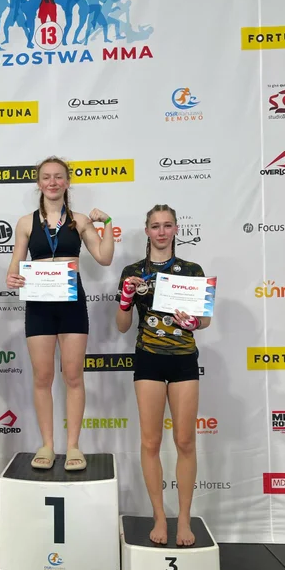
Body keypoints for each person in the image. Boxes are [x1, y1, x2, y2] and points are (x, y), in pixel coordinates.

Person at [6, 157, 114, 471]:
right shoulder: (25, 223)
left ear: (67, 182)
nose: (52, 182)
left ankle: (73, 446)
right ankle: (47, 445)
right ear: (39, 183)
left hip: (71, 304)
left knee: (73, 376)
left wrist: (107, 224)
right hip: (39, 305)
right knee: (42, 377)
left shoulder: (79, 220)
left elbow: (104, 257)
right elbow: (15, 265)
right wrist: (12, 278)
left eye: (58, 177)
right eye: (46, 177)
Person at [115, 204, 211, 546]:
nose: (161, 231)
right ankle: (159, 516)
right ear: (147, 231)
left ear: (176, 229)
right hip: (149, 359)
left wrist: (193, 322)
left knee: (185, 441)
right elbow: (122, 326)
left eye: (167, 225)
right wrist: (126, 299)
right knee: (150, 442)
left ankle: (183, 519)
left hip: (183, 360)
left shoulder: (192, 270)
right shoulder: (132, 271)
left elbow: (204, 320)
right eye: (155, 226)